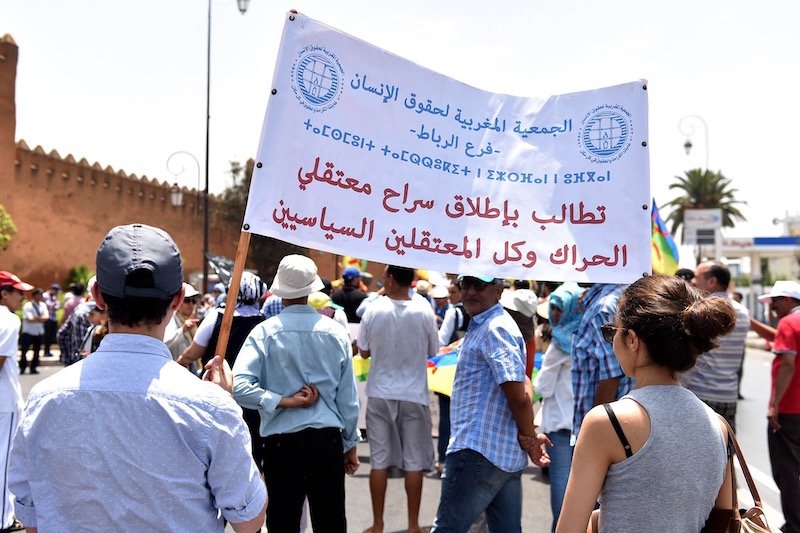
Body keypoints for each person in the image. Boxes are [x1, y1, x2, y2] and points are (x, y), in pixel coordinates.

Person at [9, 223, 266, 531]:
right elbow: (248, 521)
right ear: (177, 298)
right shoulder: (211, 408)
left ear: (98, 297)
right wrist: (223, 407)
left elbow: (30, 516)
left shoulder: (43, 398)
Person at [557, 275, 736, 533]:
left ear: (632, 340)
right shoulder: (719, 426)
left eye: (612, 332)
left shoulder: (608, 422)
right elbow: (720, 521)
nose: (612, 340)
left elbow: (568, 529)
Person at [233, 254, 359, 533]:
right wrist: (350, 444)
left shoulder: (264, 332)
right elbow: (348, 399)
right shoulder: (335, 333)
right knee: (331, 522)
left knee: (283, 523)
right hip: (326, 441)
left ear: (281, 291)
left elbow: (239, 387)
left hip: (282, 443)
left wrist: (282, 401)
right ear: (311, 290)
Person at [432, 275, 550, 533]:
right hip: (499, 455)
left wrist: (530, 439)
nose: (471, 291)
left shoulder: (495, 327)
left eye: (480, 285)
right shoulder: (486, 324)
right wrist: (529, 437)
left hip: (477, 451)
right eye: (466, 285)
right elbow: (521, 388)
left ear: (498, 290)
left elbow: (519, 396)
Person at [357, 265, 439, 533]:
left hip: (380, 392)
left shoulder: (374, 309)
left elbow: (364, 352)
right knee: (414, 462)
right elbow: (432, 351)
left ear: (390, 279)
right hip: (414, 394)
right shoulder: (425, 310)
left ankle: (378, 524)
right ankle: (414, 525)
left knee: (379, 461)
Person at [177, 272, 267, 473]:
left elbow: (195, 351)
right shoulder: (264, 322)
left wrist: (181, 360)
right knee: (251, 456)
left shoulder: (218, 317)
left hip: (216, 396)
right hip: (254, 401)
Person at [533, 282, 585, 532]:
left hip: (560, 427)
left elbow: (542, 387)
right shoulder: (589, 335)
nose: (554, 313)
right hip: (586, 426)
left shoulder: (559, 344)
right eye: (553, 307)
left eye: (559, 308)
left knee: (562, 493)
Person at [683, 261, 749, 430]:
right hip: (728, 395)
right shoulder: (742, 311)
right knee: (725, 451)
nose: (693, 281)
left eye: (697, 277)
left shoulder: (701, 312)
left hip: (700, 395)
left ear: (712, 281)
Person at [756, 280, 800, 533]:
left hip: (790, 409)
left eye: (774, 300)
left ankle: (795, 525)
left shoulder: (788, 323)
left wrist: (774, 405)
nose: (771, 306)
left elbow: (788, 364)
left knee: (787, 470)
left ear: (787, 300)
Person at [571, 283, 630, 441]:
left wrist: (595, 436)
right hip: (620, 425)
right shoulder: (620, 295)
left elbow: (611, 376)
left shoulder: (604, 307)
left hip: (607, 430)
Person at [0, 271, 32, 533]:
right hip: (4, 404)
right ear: (4, 294)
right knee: (4, 462)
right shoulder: (8, 319)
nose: (22, 296)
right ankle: (3, 520)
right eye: (17, 292)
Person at [164, 282, 200, 361]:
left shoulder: (190, 320)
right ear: (179, 301)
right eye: (187, 301)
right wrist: (182, 330)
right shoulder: (171, 319)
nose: (191, 304)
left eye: (193, 301)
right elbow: (166, 343)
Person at [19, 288, 48, 374]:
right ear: (34, 296)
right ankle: (22, 367)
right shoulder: (28, 305)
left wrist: (37, 319)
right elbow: (29, 319)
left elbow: (46, 317)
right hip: (28, 331)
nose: (40, 297)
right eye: (38, 295)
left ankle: (33, 367)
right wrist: (40, 319)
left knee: (37, 350)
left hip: (39, 331)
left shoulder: (43, 305)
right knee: (24, 350)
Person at [42, 283, 60, 357]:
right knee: (47, 336)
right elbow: (48, 305)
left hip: (53, 318)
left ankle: (48, 351)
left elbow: (57, 306)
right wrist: (54, 305)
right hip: (47, 319)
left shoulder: (54, 297)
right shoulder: (45, 295)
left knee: (50, 336)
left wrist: (54, 305)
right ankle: (46, 351)